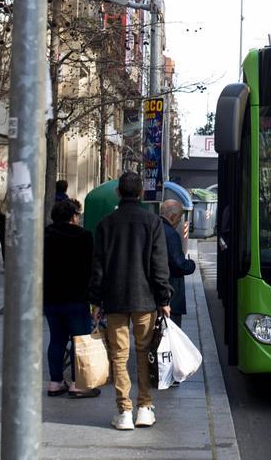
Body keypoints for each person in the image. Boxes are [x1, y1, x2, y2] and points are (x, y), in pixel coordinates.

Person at [89, 171, 172, 431]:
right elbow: (159, 265)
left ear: (118, 193)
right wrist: (164, 298)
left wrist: (96, 300)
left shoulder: (105, 224)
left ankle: (124, 410)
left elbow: (98, 267)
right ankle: (145, 407)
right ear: (140, 193)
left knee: (119, 356)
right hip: (145, 299)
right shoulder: (153, 222)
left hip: (114, 299)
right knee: (144, 353)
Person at [43, 199, 101, 399]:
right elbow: (91, 270)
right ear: (73, 216)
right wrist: (95, 301)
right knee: (80, 341)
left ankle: (55, 382)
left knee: (56, 340)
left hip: (51, 298)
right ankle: (78, 383)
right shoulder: (84, 236)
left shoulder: (44, 235)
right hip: (77, 298)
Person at [160, 200, 196, 328]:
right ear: (172, 216)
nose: (180, 221)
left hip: (156, 293)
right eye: (180, 218)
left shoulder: (155, 227)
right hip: (171, 291)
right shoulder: (171, 234)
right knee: (172, 331)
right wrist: (191, 264)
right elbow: (178, 263)